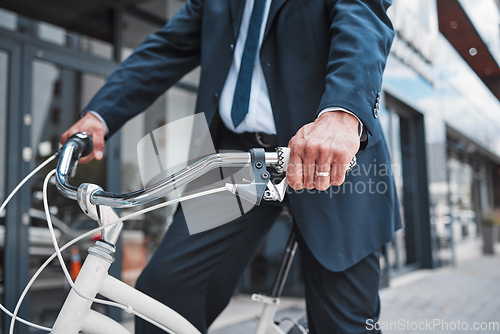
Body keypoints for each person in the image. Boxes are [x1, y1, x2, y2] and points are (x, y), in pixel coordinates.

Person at [60, 0, 401, 332]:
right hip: (239, 158)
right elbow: (165, 48)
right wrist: (99, 115)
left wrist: (342, 113)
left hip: (326, 152)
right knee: (164, 293)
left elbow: (363, 20)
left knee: (344, 324)